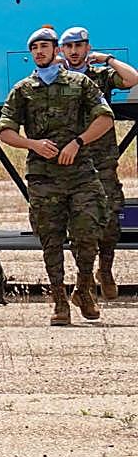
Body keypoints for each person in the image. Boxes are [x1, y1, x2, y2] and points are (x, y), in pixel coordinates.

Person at [0, 27, 114, 325]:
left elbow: (105, 118)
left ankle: (84, 287)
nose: (39, 52)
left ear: (56, 51)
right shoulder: (23, 89)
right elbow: (5, 131)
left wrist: (79, 142)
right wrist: (31, 144)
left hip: (81, 172)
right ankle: (60, 300)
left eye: (45, 47)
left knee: (88, 232)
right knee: (50, 238)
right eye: (34, 48)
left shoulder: (80, 83)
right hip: (43, 176)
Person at [59, 26, 138, 300]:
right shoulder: (57, 77)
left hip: (102, 159)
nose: (74, 51)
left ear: (87, 47)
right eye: (68, 46)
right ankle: (84, 279)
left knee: (109, 220)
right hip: (71, 160)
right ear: (61, 50)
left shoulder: (99, 75)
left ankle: (105, 270)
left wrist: (108, 59)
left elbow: (132, 79)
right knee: (79, 223)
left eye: (78, 46)